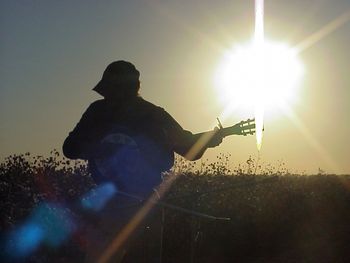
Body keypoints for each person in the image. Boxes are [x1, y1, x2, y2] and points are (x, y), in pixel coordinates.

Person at [62, 60, 224, 262]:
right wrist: (102, 149)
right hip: (122, 204)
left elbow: (188, 148)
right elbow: (70, 147)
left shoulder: (135, 113)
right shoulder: (110, 112)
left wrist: (208, 139)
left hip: (139, 205)